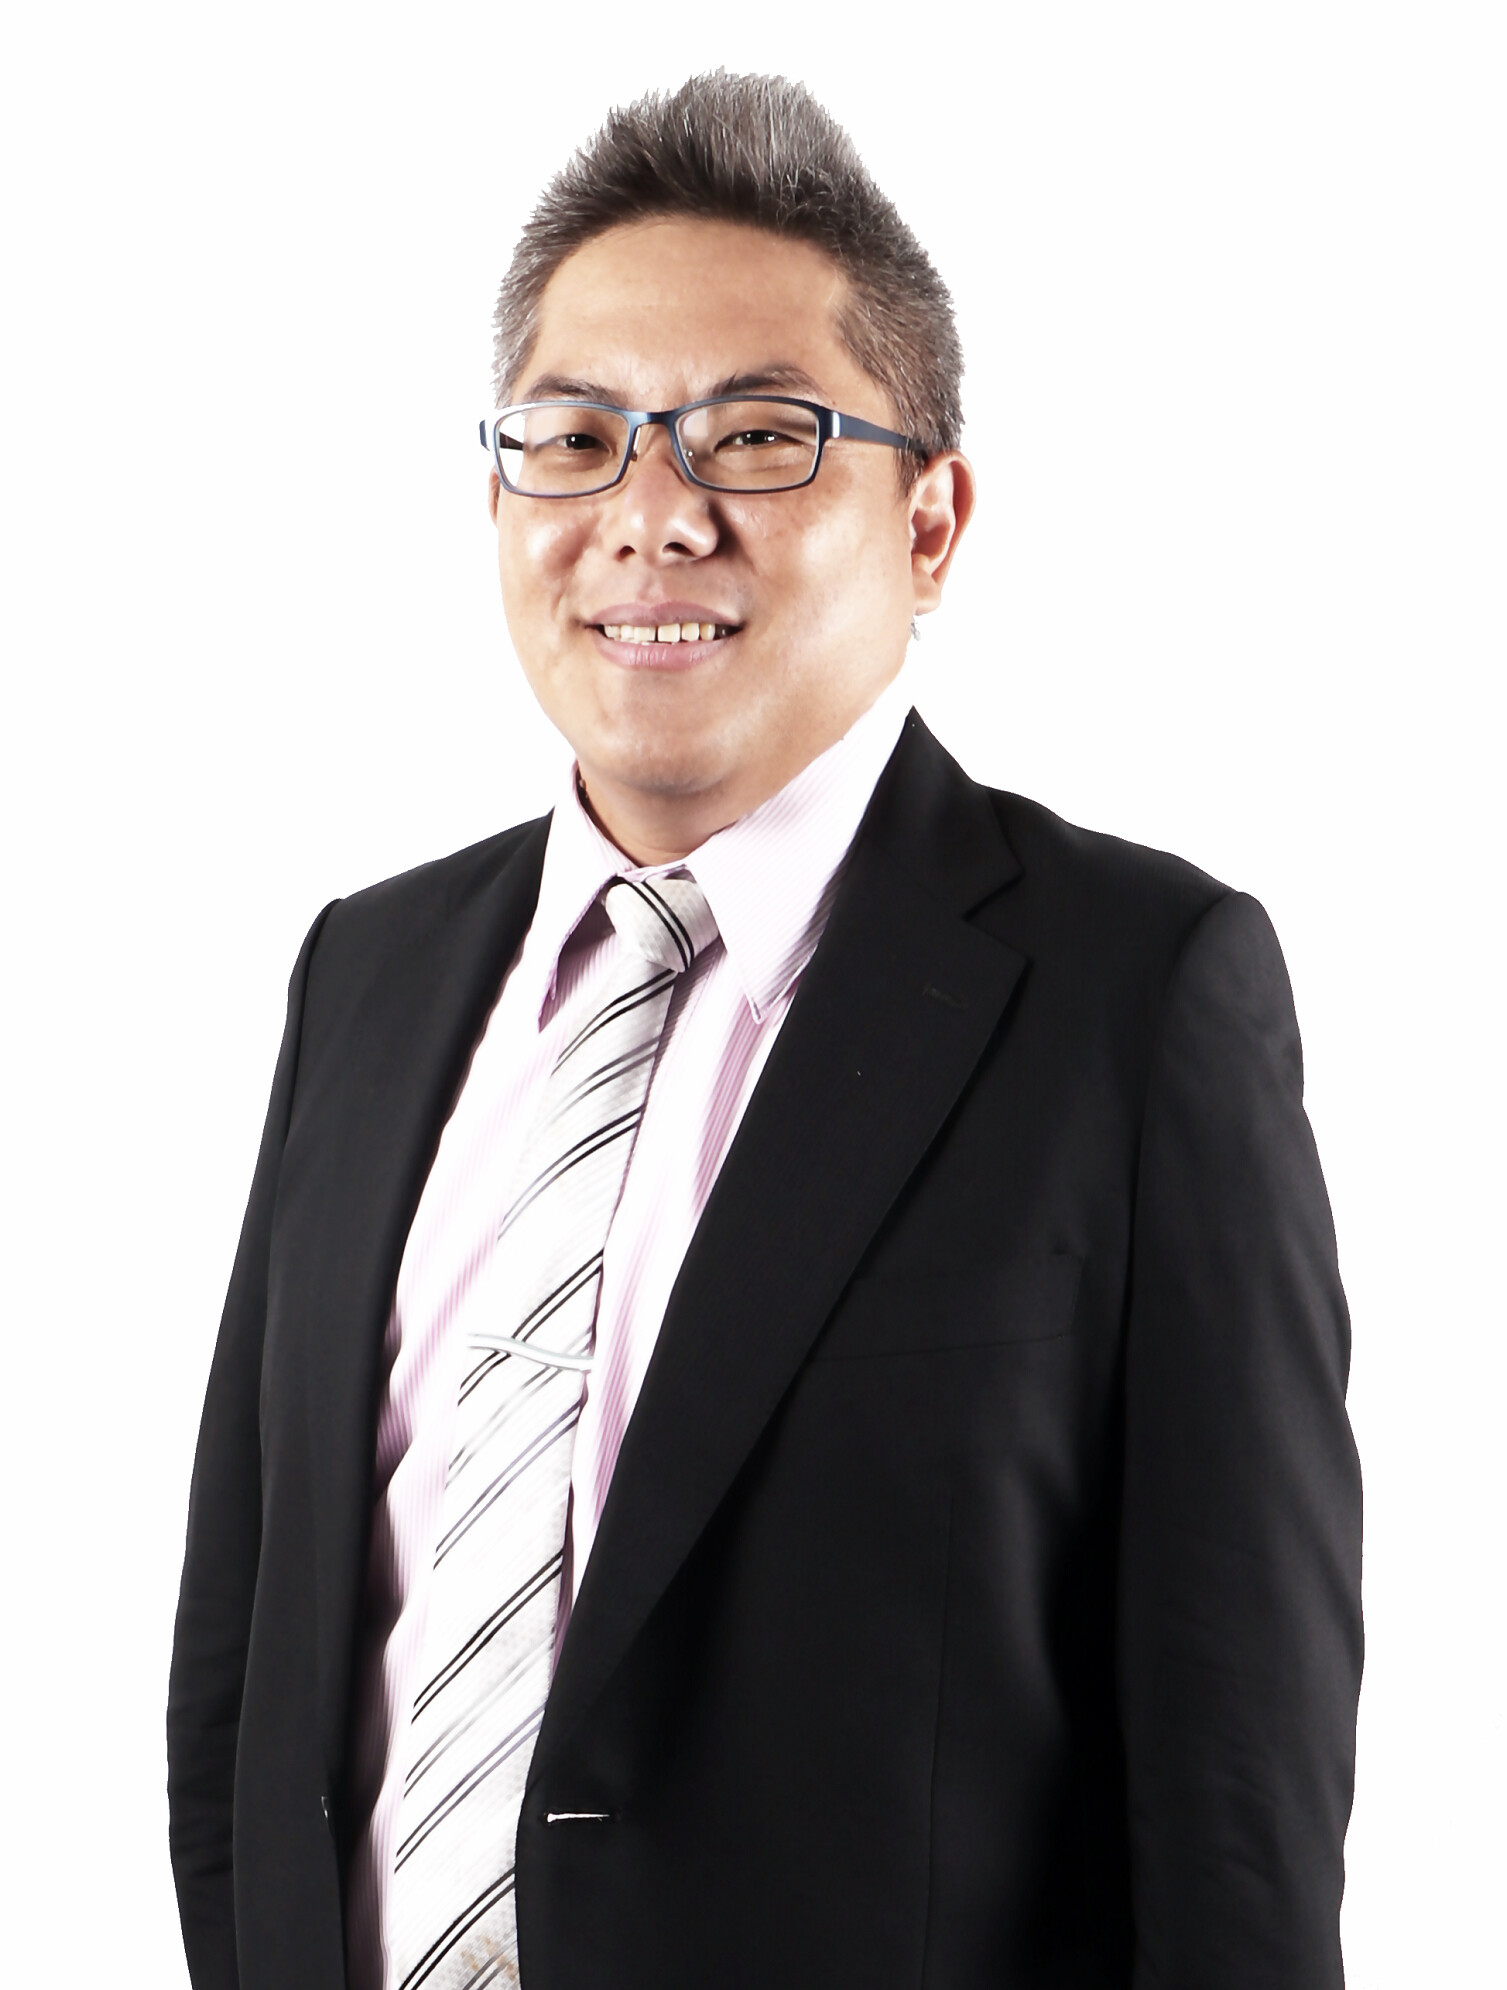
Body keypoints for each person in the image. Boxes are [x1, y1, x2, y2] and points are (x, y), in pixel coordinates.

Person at [167, 70, 1363, 1990]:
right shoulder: (365, 976)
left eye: (757, 435)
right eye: (576, 439)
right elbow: (248, 1688)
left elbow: (1234, 1816)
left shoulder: (1139, 998)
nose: (653, 516)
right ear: (500, 496)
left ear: (932, 520)